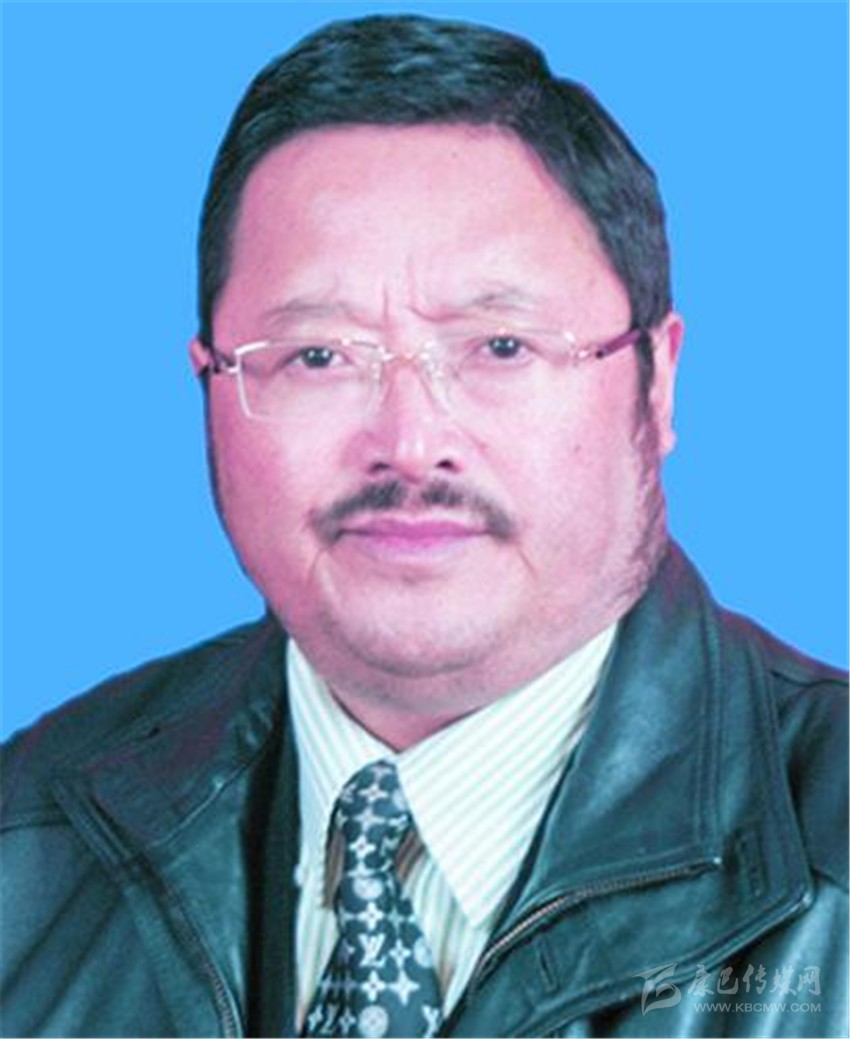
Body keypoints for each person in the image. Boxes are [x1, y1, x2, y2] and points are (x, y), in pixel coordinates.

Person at [2, 13, 846, 1039]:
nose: (409, 444)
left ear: (656, 381)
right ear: (208, 387)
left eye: (500, 345)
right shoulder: (30, 841)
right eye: (317, 356)